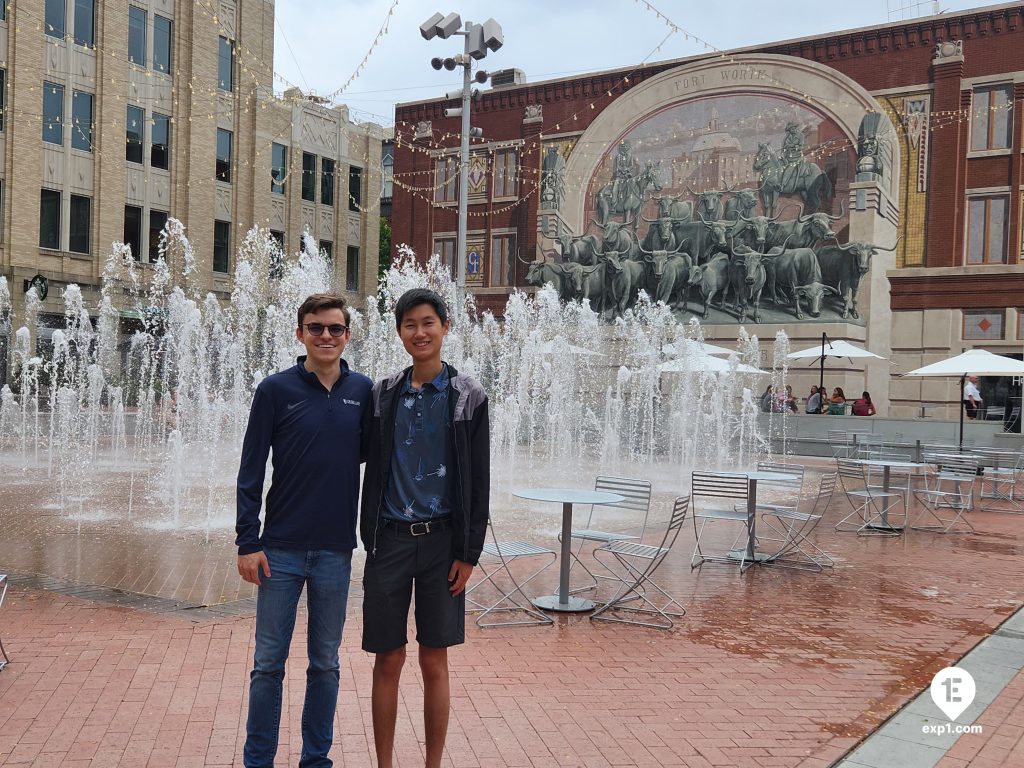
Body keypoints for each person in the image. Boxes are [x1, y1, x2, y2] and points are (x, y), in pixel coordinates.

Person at [235, 293, 372, 768]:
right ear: (300, 333)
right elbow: (251, 470)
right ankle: (258, 761)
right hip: (280, 550)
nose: (326, 336)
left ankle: (316, 760)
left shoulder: (364, 392)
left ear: (347, 335)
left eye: (335, 328)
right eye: (316, 328)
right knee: (267, 664)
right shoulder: (275, 390)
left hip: (336, 550)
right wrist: (247, 541)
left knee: (326, 664)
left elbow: (373, 460)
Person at [360, 288, 489, 768]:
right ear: (399, 332)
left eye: (428, 322)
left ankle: (432, 764)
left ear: (445, 327)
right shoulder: (383, 393)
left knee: (434, 659)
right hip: (389, 541)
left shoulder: (468, 395)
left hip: (442, 545)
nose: (420, 332)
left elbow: (479, 480)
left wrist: (468, 553)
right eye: (410, 324)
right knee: (387, 659)